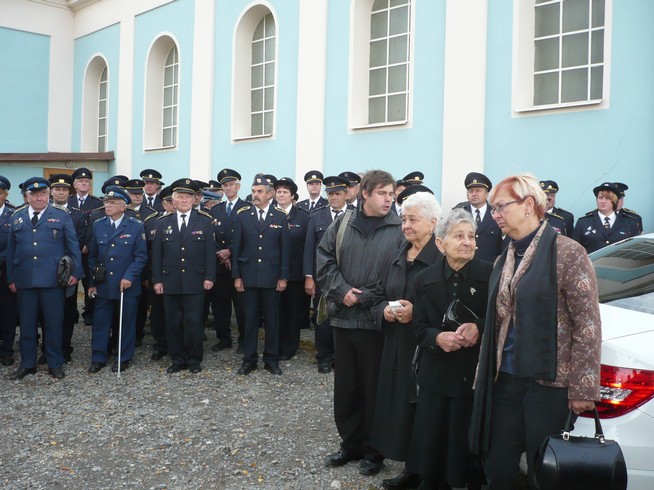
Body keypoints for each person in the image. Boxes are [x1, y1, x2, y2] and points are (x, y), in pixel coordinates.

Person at [469, 174, 602, 489]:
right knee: (498, 467)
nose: (495, 215)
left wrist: (583, 388)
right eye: (493, 208)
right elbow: (500, 319)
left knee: (544, 471)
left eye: (501, 206)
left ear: (528, 204)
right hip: (506, 379)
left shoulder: (568, 253)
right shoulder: (505, 257)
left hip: (549, 384)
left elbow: (587, 321)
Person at [317, 170, 405, 476]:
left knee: (373, 390)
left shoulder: (399, 229)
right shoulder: (342, 223)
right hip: (342, 320)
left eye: (392, 194)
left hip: (375, 324)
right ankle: (350, 445)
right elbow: (324, 259)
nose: (388, 200)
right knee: (346, 388)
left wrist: (366, 297)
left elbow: (399, 275)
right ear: (365, 193)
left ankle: (373, 451)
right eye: (383, 193)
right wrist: (342, 291)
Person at [403, 207, 491, 490]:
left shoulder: (490, 275)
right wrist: (436, 338)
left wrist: (479, 327)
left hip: (472, 376)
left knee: (464, 437)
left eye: (471, 236)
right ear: (441, 244)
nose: (467, 242)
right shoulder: (423, 279)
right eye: (459, 236)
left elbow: (504, 319)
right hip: (436, 373)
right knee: (433, 436)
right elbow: (417, 327)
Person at [369, 187, 441, 489]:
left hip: (425, 348)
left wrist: (418, 314)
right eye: (404, 220)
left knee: (424, 409)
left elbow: (450, 305)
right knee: (399, 405)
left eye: (413, 220)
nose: (406, 226)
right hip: (396, 344)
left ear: (433, 223)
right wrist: (383, 310)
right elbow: (376, 294)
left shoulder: (442, 258)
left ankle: (427, 471)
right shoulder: (398, 255)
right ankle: (409, 465)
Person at [6, 177, 83, 380]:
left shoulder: (60, 215)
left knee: (53, 324)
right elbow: (12, 250)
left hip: (52, 281)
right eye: (34, 194)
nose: (39, 198)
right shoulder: (17, 217)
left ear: (47, 195)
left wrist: (75, 273)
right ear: (27, 196)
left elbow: (73, 246)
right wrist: (11, 278)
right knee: (27, 325)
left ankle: (54, 363)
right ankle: (28, 364)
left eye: (42, 194)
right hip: (25, 280)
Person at [152, 179, 216, 374]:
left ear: (194, 199)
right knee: (172, 323)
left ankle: (195, 360)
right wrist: (157, 280)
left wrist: (209, 277)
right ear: (173, 200)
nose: (184, 200)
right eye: (180, 196)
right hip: (170, 281)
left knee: (194, 323)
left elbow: (209, 253)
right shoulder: (163, 223)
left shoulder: (204, 221)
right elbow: (157, 255)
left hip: (195, 281)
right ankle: (178, 359)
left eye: (188, 196)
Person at [232, 174, 290, 376]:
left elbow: (285, 250)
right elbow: (237, 248)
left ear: (270, 193)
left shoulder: (280, 217)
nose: (255, 195)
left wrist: (283, 277)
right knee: (249, 321)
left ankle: (271, 360)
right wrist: (237, 276)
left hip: (272, 278)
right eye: (254, 191)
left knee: (272, 320)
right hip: (248, 277)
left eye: (260, 191)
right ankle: (249, 360)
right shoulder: (243, 216)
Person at [87, 186, 148, 373]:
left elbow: (141, 256)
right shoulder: (98, 225)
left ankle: (123, 357)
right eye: (106, 202)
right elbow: (93, 257)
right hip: (104, 284)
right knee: (101, 322)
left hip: (126, 284)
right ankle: (98, 357)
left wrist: (129, 276)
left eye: (112, 203)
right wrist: (92, 283)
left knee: (126, 323)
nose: (107, 205)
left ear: (123, 207)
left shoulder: (136, 226)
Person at [303, 175, 352, 373]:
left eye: (337, 194)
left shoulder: (356, 215)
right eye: (330, 194)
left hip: (347, 277)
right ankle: (323, 357)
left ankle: (342, 357)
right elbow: (309, 249)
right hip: (323, 277)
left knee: (345, 318)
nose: (333, 198)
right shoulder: (317, 216)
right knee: (322, 319)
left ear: (346, 195)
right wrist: (308, 276)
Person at [49, 174, 89, 363]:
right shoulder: (44, 211)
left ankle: (65, 348)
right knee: (46, 313)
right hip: (46, 271)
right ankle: (48, 349)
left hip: (68, 271)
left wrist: (74, 271)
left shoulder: (78, 215)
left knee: (67, 310)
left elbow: (79, 244)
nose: (61, 192)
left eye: (64, 189)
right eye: (57, 189)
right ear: (51, 191)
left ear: (69, 192)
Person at [209, 168, 250, 352]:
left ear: (238, 186)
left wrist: (230, 252)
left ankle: (244, 340)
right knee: (220, 306)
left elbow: (248, 236)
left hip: (238, 265)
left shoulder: (246, 208)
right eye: (225, 185)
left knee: (241, 307)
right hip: (219, 265)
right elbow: (210, 236)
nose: (228, 188)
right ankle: (224, 339)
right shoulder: (215, 209)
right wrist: (220, 253)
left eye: (231, 184)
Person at [274, 177, 311, 360]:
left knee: (293, 312)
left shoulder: (303, 216)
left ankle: (289, 346)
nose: (281, 195)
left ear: (292, 196)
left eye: (285, 192)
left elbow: (308, 246)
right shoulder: (270, 213)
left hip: (295, 273)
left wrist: (307, 274)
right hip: (273, 274)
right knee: (275, 312)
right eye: (278, 191)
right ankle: (275, 344)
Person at [144, 186, 174, 361]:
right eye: (169, 201)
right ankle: (160, 344)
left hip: (179, 275)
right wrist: (147, 277)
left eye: (174, 200)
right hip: (157, 275)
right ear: (163, 203)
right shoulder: (151, 222)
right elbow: (146, 252)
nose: (173, 205)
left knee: (177, 311)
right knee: (158, 312)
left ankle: (177, 343)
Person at [572, 182, 639, 254]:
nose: (603, 201)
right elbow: (574, 250)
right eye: (600, 198)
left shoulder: (629, 222)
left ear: (614, 201)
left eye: (607, 198)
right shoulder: (583, 222)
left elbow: (635, 250)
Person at [454, 172, 504, 262]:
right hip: (464, 265)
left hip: (489, 268)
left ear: (487, 194)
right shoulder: (459, 213)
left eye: (478, 190)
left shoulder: (497, 213)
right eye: (471, 191)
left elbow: (501, 245)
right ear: (467, 194)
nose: (474, 194)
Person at [0, 176, 17, 366]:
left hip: (6, 273)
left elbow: (14, 245)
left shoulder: (13, 215)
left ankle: (6, 350)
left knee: (8, 313)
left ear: (5, 194)